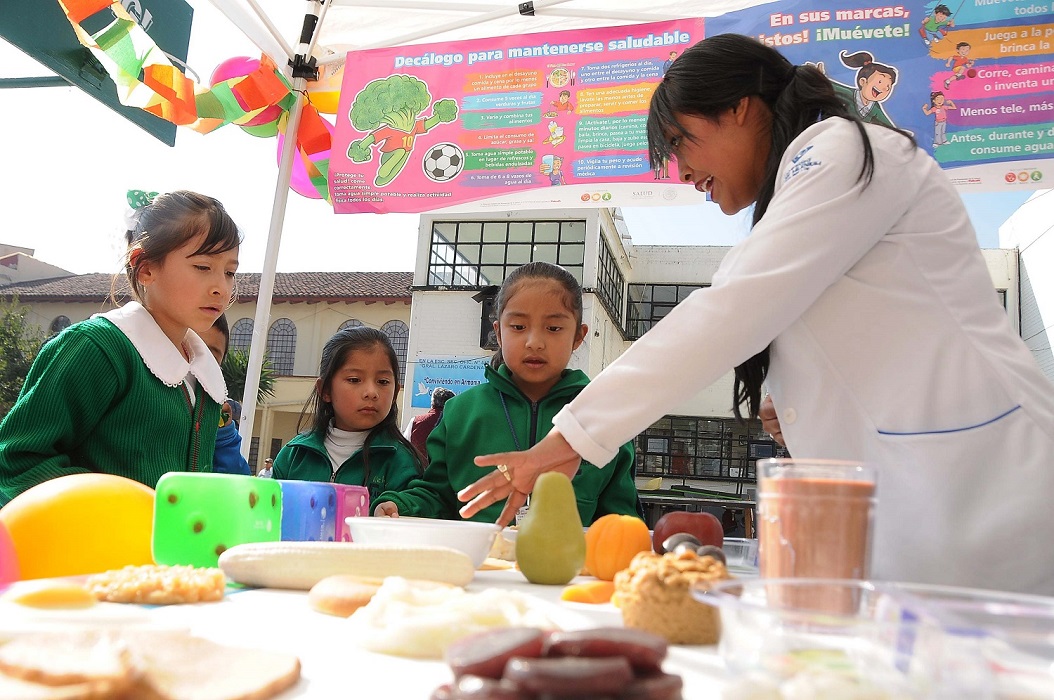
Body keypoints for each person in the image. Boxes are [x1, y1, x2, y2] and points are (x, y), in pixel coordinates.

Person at [458, 34, 1054, 595]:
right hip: (920, 502)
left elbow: (730, 310)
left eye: (681, 142)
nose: (682, 173)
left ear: (740, 109)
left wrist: (570, 440)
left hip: (991, 480)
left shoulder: (842, 150)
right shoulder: (804, 186)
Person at [0, 191, 240, 506]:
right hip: (90, 551)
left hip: (164, 556)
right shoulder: (97, 348)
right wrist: (120, 511)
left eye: (230, 271)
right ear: (145, 268)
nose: (220, 287)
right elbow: (17, 459)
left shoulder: (204, 372)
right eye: (202, 267)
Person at [373, 262, 642, 525]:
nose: (534, 342)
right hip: (478, 564)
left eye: (554, 328)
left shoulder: (601, 416)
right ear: (499, 334)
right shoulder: (460, 413)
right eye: (518, 327)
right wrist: (402, 505)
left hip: (572, 567)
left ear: (578, 337)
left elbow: (620, 518)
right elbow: (438, 496)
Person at [271, 327, 422, 502]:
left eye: (383, 381)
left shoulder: (401, 461)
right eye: (354, 380)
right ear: (325, 390)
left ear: (395, 392)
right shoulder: (294, 455)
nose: (371, 392)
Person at [200, 313, 251, 476]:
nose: (194, 363)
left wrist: (223, 434)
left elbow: (239, 486)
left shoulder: (220, 427)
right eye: (182, 350)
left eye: (211, 358)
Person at [404, 388, 455, 466]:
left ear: (432, 403)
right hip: (446, 474)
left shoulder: (416, 421)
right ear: (452, 404)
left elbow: (405, 447)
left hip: (419, 472)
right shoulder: (456, 423)